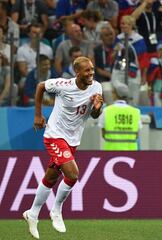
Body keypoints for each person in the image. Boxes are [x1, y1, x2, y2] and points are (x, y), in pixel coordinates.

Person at [23, 56, 103, 239]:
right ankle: (56, 210)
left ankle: (32, 214)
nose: (91, 73)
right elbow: (40, 86)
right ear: (77, 72)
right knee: (73, 174)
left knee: (51, 177)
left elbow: (94, 115)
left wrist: (98, 107)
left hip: (73, 139)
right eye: (87, 70)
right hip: (55, 135)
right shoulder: (64, 85)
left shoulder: (97, 87)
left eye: (92, 69)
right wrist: (38, 115)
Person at [98, 80, 142, 150]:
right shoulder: (136, 112)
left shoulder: (106, 111)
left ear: (115, 94)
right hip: (131, 152)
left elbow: (103, 134)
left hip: (111, 151)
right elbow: (137, 135)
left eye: (113, 92)